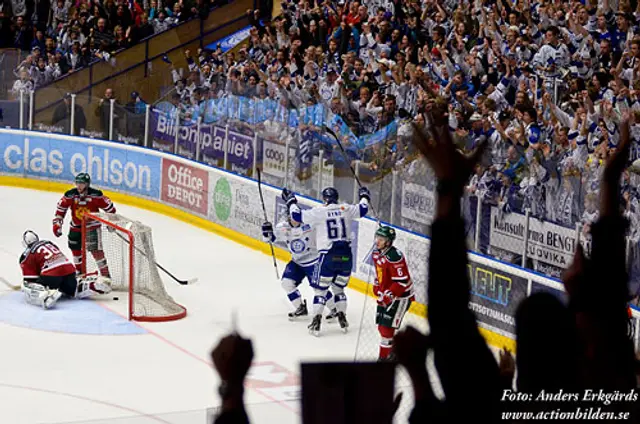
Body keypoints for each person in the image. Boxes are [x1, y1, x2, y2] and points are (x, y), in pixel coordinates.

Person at [283, 186, 370, 336]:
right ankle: (342, 316)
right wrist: (364, 196)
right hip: (346, 257)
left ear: (324, 199)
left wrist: (291, 201)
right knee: (339, 289)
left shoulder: (320, 212)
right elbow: (363, 209)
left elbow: (296, 216)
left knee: (321, 291)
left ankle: (316, 322)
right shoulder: (346, 208)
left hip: (328, 257)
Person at [261, 214, 336, 320]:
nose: (294, 220)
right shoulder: (283, 227)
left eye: (296, 217)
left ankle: (334, 309)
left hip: (313, 262)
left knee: (318, 288)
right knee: (286, 283)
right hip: (297, 262)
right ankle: (300, 307)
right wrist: (266, 231)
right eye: (292, 217)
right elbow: (269, 239)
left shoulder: (309, 225)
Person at [19, 230, 112, 309]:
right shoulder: (49, 243)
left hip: (51, 274)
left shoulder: (26, 255)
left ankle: (47, 295)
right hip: (69, 270)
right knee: (72, 289)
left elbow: (30, 279)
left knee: (27, 285)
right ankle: (93, 285)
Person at [52, 173, 116, 276]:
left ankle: (105, 275)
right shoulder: (70, 195)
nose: (78, 186)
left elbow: (110, 209)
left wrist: (111, 222)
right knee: (75, 249)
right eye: (77, 183)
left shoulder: (96, 195)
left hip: (92, 228)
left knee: (96, 251)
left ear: (87, 184)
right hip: (76, 227)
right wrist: (57, 224)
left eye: (81, 184)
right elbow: (60, 210)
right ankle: (79, 273)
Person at [371, 226, 414, 361]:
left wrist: (389, 294)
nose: (378, 241)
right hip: (386, 295)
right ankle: (395, 350)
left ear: (388, 242)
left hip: (401, 297)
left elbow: (402, 281)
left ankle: (384, 359)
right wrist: (377, 285)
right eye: (377, 237)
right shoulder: (377, 253)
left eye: (382, 239)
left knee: (386, 330)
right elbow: (380, 273)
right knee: (382, 328)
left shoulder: (395, 256)